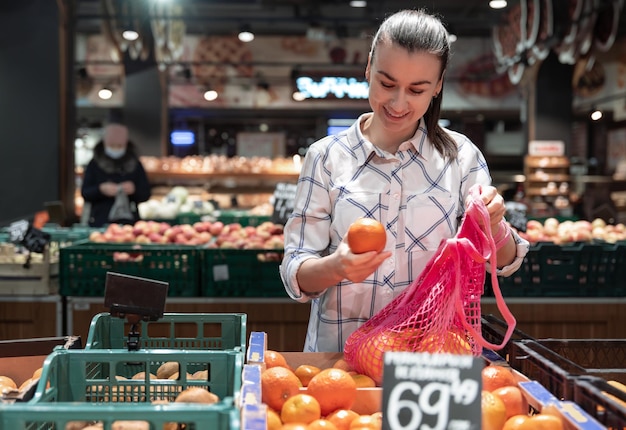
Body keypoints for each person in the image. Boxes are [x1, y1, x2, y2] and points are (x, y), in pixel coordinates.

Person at [279, 9, 530, 353]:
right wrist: (336, 267)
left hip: (428, 361)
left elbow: (502, 262)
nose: (398, 103)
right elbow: (296, 270)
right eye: (386, 84)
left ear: (438, 85)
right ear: (368, 68)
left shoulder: (461, 157)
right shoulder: (325, 157)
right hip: (339, 366)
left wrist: (494, 223)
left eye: (417, 89)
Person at [81, 121, 151, 227]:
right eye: (112, 145)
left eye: (119, 146)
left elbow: (146, 193)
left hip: (129, 224)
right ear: (105, 143)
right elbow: (85, 192)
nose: (116, 149)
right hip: (100, 222)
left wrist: (134, 190)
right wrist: (100, 189)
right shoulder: (94, 164)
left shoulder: (135, 163)